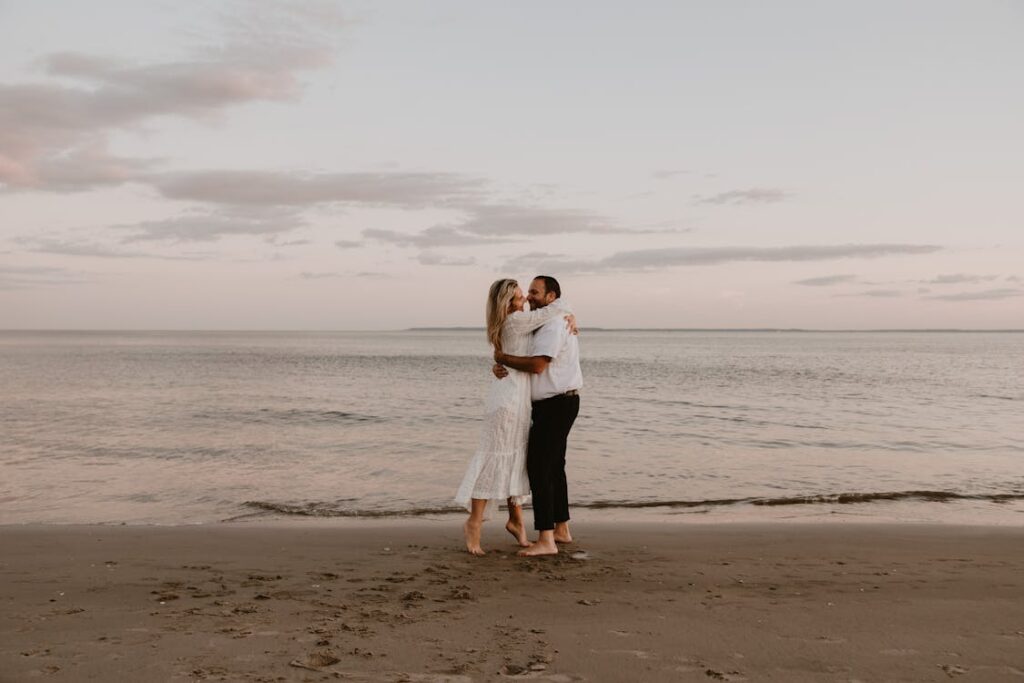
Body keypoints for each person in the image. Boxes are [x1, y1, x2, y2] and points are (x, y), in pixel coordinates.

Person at [454, 278, 576, 556]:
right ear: (507, 304)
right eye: (520, 297)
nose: (525, 301)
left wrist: (570, 317)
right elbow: (555, 308)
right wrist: (568, 311)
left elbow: (553, 314)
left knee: (515, 458)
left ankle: (516, 520)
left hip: (519, 401)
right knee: (494, 458)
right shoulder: (515, 321)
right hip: (508, 402)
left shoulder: (517, 321)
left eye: (527, 295)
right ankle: (474, 523)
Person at [492, 275, 582, 557]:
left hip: (557, 403)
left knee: (539, 468)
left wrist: (502, 359)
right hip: (558, 403)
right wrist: (502, 367)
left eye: (534, 292)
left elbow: (538, 365)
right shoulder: (547, 321)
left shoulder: (553, 325)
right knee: (554, 467)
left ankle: (546, 539)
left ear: (551, 297)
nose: (529, 297)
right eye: (527, 292)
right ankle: (561, 529)